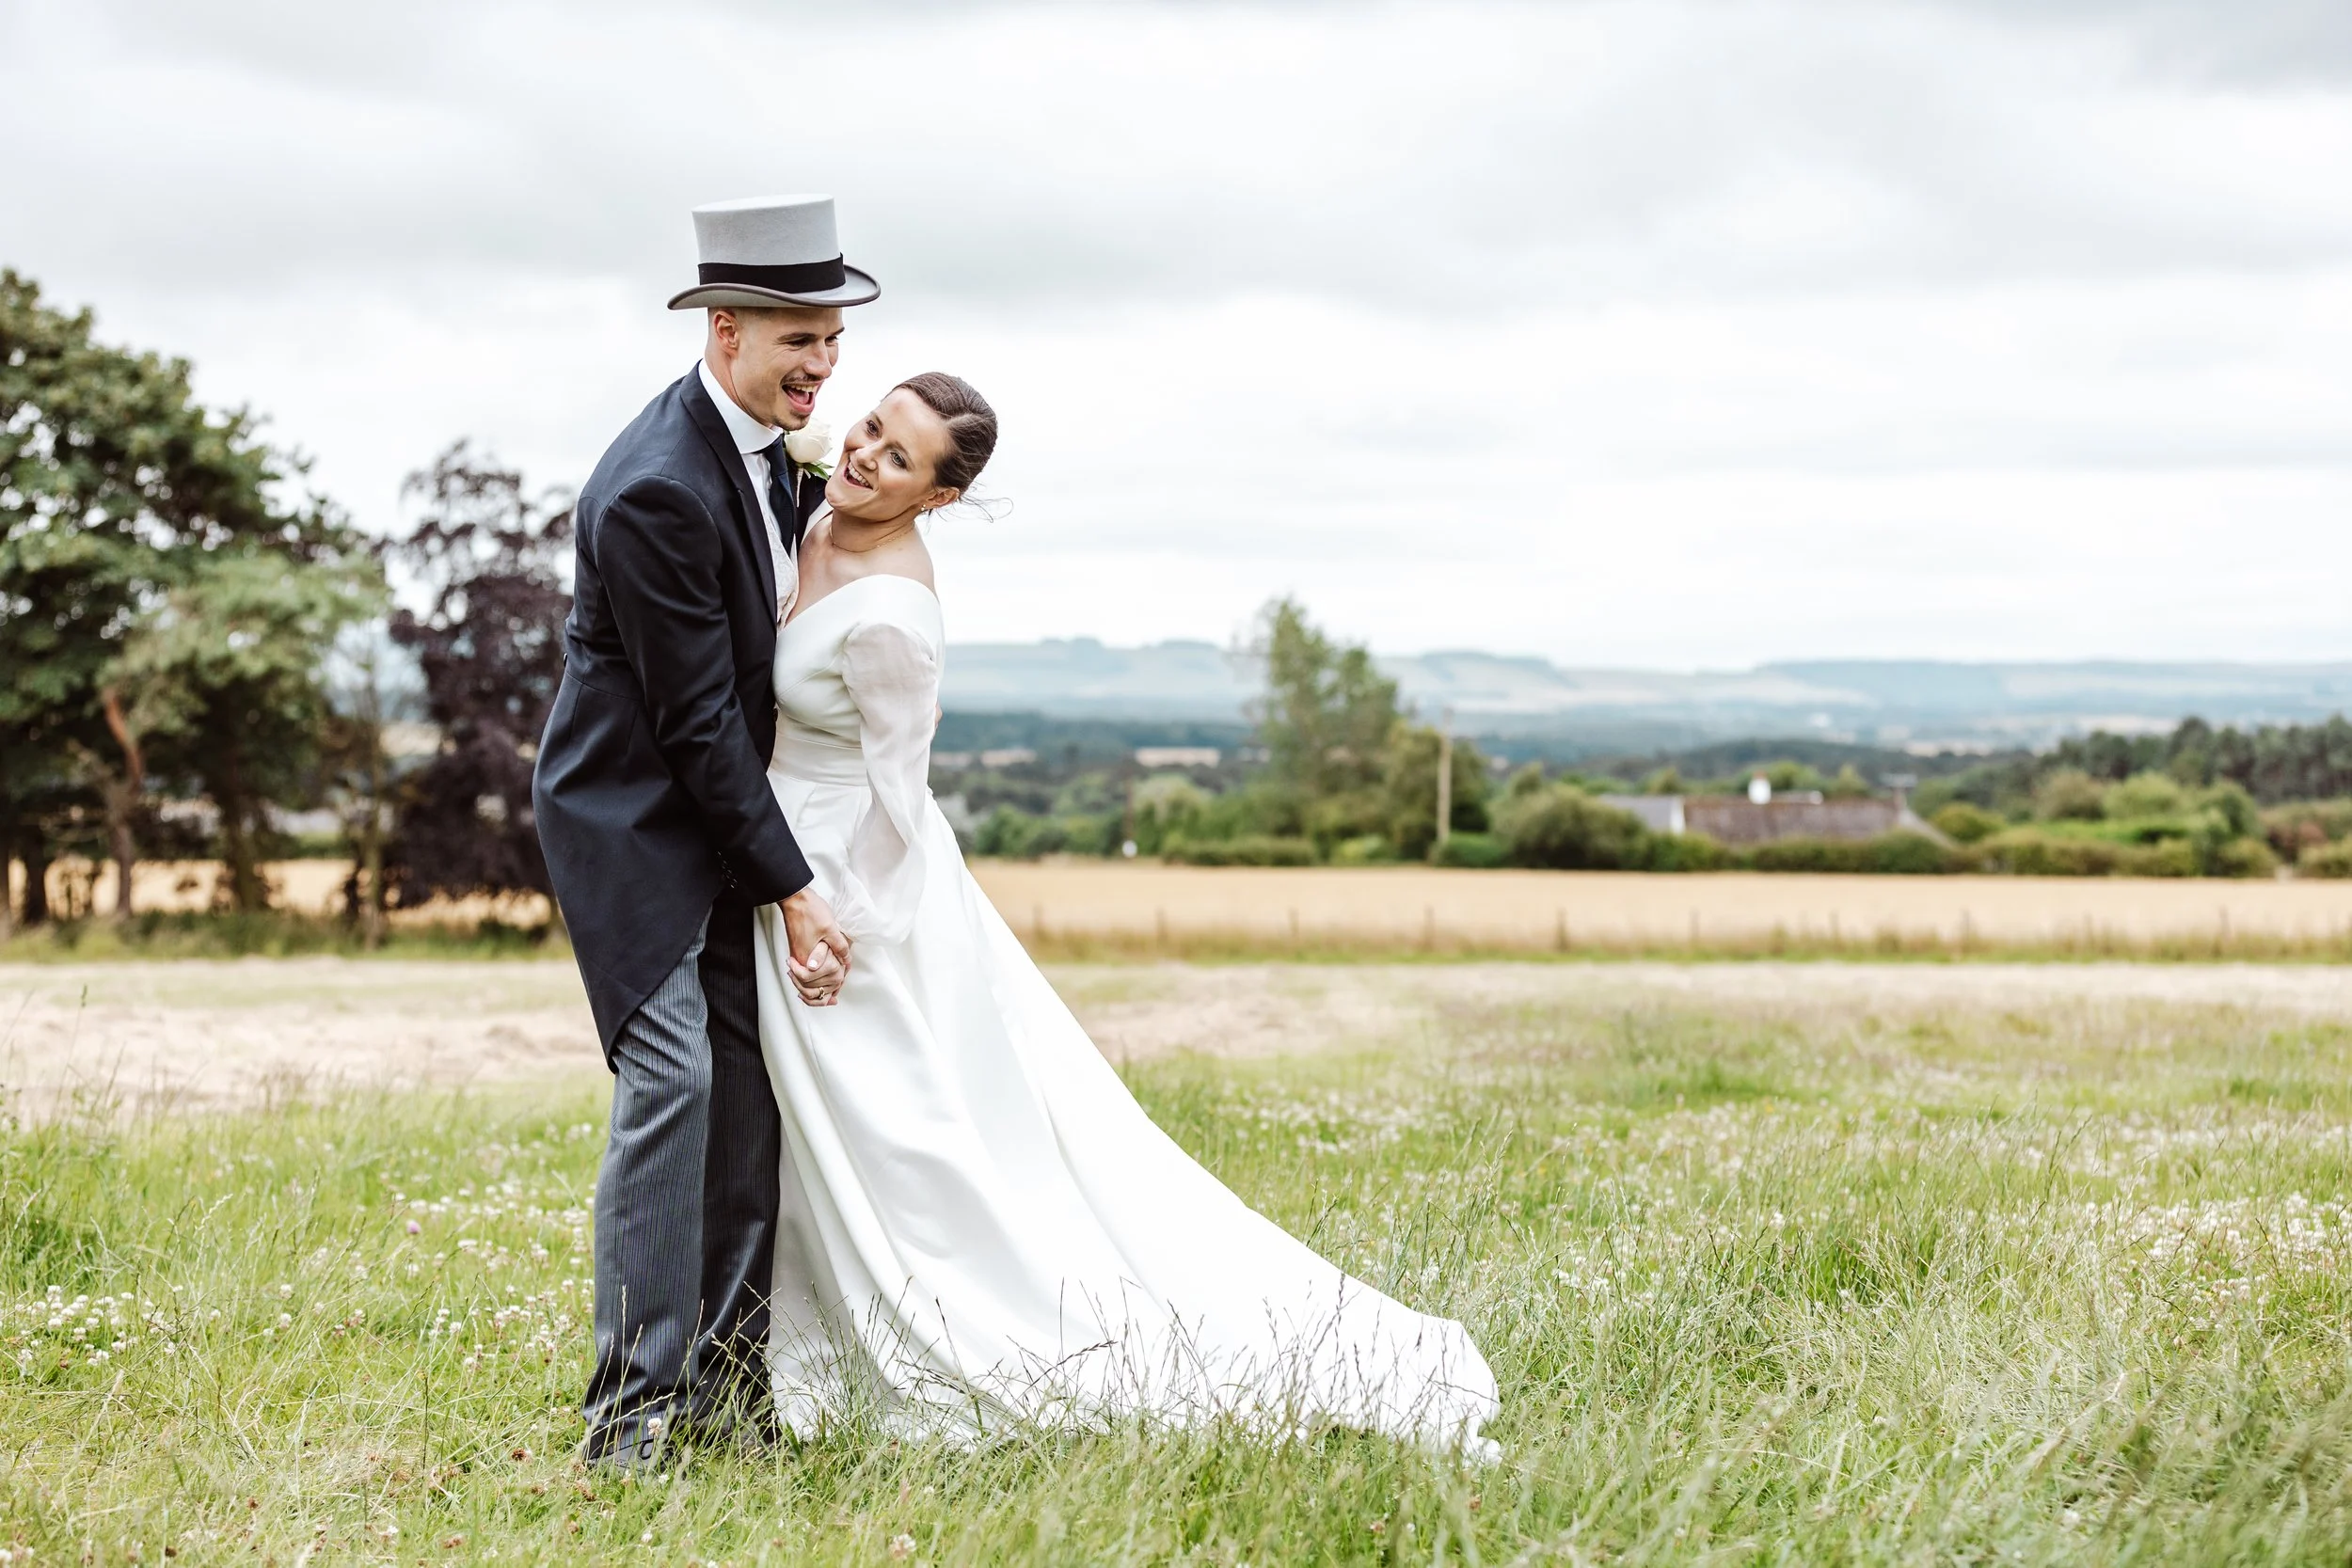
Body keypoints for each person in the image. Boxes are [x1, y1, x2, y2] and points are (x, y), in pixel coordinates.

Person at [750, 374, 1501, 1454]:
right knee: (809, 1119)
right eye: (871, 427)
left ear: (938, 498)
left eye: (899, 457)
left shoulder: (894, 618)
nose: (866, 454)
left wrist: (838, 922)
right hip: (782, 846)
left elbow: (899, 799)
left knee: (897, 1125)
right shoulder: (818, 502)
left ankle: (943, 1337)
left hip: (846, 880)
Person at [532, 194, 873, 1467]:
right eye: (800, 339)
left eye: (832, 342)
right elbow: (694, 726)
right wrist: (795, 888)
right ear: (726, 328)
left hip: (725, 807)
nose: (822, 367)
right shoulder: (658, 485)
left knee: (751, 1090)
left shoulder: (765, 451)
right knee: (674, 1079)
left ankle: (732, 1393)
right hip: (630, 820)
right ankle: (629, 1421)